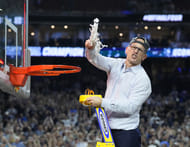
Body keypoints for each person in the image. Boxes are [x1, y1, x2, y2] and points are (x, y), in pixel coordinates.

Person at [85, 36, 152, 147]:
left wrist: (102, 102)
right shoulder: (116, 64)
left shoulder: (143, 79)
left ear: (144, 57)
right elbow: (95, 59)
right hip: (107, 129)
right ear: (127, 49)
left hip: (126, 133)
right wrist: (90, 49)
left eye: (140, 50)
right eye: (133, 47)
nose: (135, 51)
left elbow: (130, 107)